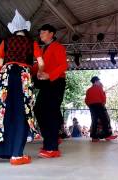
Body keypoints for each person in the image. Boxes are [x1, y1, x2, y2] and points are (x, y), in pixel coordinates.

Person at [0, 10, 44, 165]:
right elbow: (41, 63)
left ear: (13, 29)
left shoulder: (6, 41)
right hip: (23, 77)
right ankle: (16, 155)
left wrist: (5, 69)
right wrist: (39, 72)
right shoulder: (32, 43)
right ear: (25, 29)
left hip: (6, 75)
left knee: (0, 112)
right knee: (21, 113)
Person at [33, 24, 68, 158]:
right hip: (46, 83)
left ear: (52, 33)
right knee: (39, 109)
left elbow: (63, 65)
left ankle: (52, 148)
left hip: (56, 82)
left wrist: (50, 75)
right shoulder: (43, 49)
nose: (41, 34)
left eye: (44, 32)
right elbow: (38, 65)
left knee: (50, 112)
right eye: (40, 32)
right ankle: (51, 138)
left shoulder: (58, 47)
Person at [85, 76, 117, 142]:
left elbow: (86, 100)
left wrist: (90, 106)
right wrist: (103, 103)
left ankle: (94, 137)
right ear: (96, 81)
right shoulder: (99, 88)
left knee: (94, 121)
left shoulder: (88, 90)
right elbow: (103, 97)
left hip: (92, 106)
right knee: (105, 119)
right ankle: (107, 135)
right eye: (99, 81)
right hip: (99, 105)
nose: (100, 82)